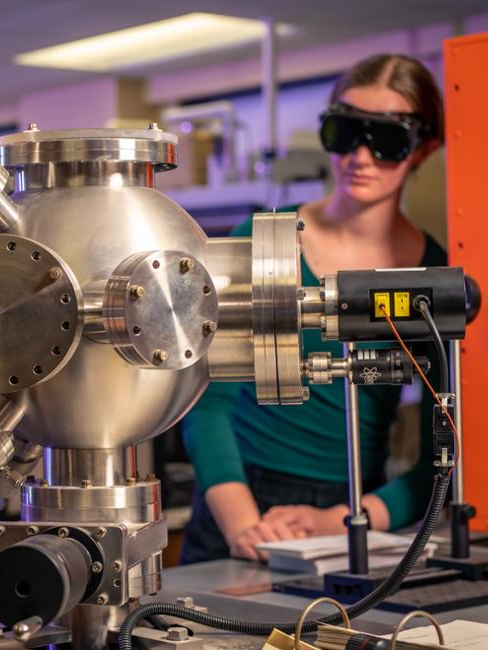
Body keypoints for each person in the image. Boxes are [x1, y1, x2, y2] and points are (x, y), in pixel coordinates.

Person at [180, 53, 447, 564]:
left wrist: (346, 518)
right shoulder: (263, 241)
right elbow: (208, 401)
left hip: (354, 508)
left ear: (424, 148)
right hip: (238, 496)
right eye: (346, 131)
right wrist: (245, 527)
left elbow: (447, 447)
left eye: (386, 139)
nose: (360, 156)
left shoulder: (431, 274)